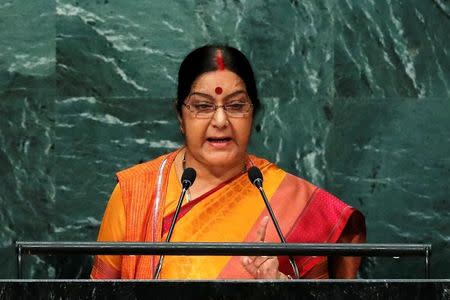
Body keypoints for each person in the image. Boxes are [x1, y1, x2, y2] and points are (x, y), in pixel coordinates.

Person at [90, 45, 366, 280]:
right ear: (180, 116)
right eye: (202, 106)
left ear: (253, 113)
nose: (220, 121)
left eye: (235, 106)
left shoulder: (290, 198)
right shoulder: (136, 192)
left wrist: (283, 287)